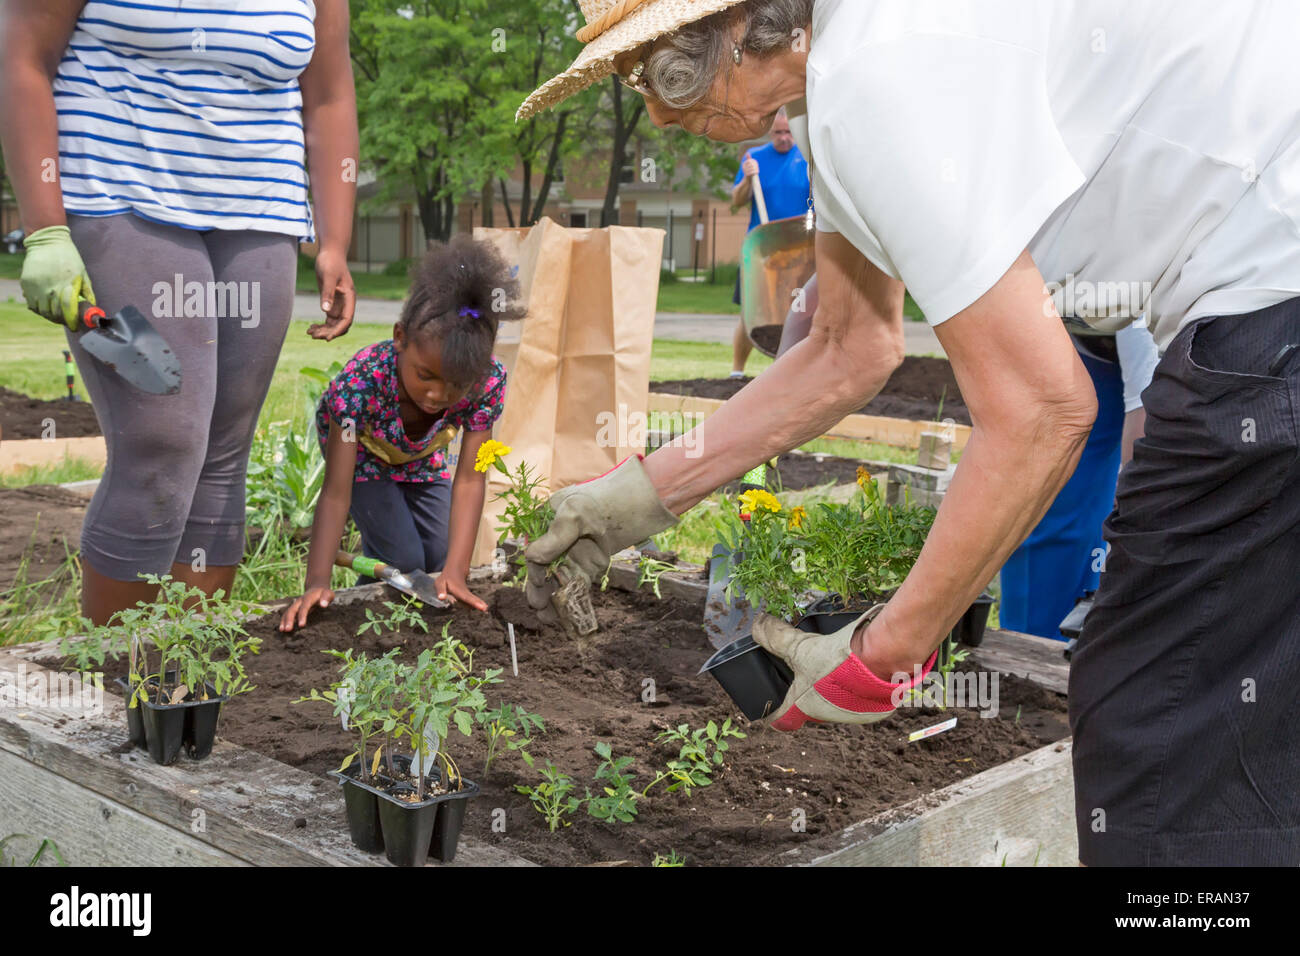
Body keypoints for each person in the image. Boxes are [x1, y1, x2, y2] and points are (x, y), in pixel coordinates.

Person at [516, 0, 1300, 866]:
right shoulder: (844, 83)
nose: (655, 112)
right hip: (1266, 289)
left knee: (1162, 726)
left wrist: (880, 658)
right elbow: (848, 349)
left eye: (648, 73)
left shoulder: (871, 81)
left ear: (732, 33)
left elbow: (1044, 411)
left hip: (1271, 301)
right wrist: (627, 504)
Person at [0, 0, 358, 624]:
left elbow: (328, 91)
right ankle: (110, 685)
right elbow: (24, 53)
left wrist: (334, 241)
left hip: (259, 214)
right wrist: (44, 230)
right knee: (161, 443)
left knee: (224, 454)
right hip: (118, 197)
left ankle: (182, 681)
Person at [279, 236, 524, 631]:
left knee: (436, 553)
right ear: (399, 338)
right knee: (406, 556)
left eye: (455, 385)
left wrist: (455, 572)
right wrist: (317, 581)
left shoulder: (485, 382)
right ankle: (360, 616)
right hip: (361, 455)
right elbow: (337, 491)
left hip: (420, 456)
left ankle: (369, 593)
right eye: (425, 376)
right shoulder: (362, 383)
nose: (436, 395)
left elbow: (469, 479)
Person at [999, 321, 1160, 639]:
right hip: (1077, 328)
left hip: (1160, 330)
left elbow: (1150, 428)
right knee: (1057, 494)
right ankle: (1032, 645)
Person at [728, 107, 810, 377]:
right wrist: (747, 179)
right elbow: (736, 202)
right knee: (750, 313)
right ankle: (737, 372)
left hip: (801, 249)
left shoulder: (808, 158)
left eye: (788, 132)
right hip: (763, 250)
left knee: (801, 313)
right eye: (778, 133)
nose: (783, 137)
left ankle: (791, 373)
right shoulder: (756, 158)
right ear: (770, 132)